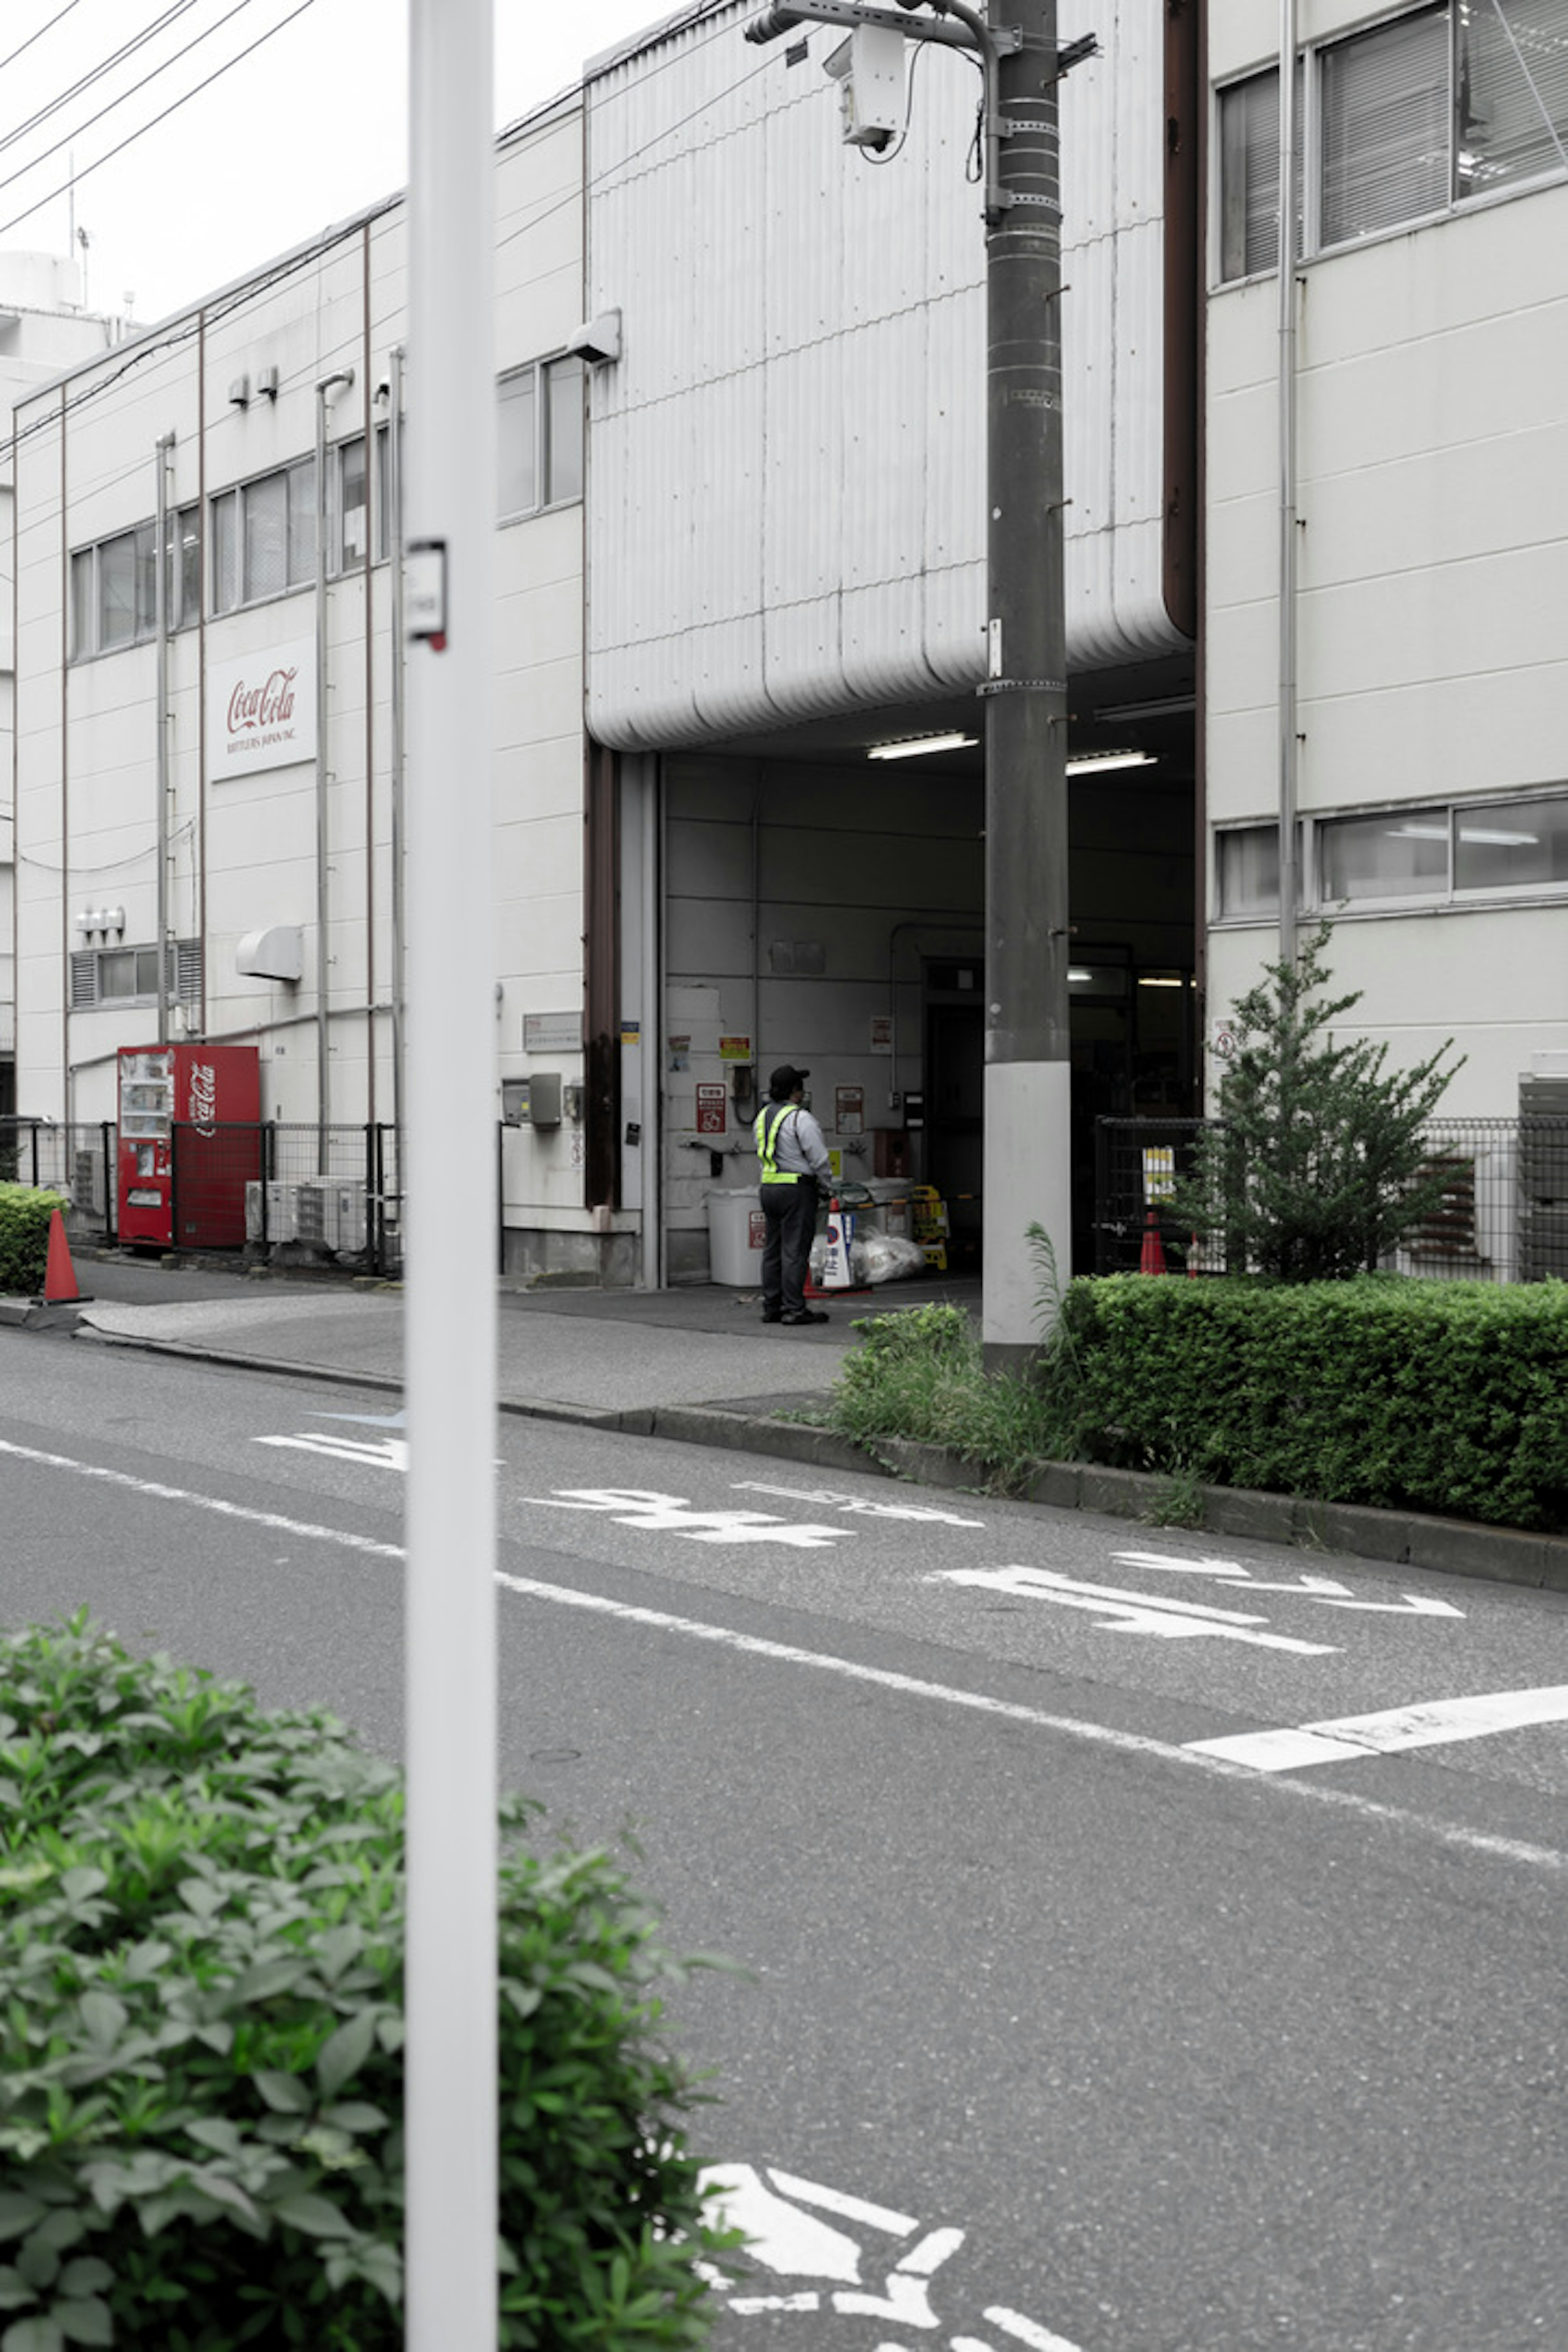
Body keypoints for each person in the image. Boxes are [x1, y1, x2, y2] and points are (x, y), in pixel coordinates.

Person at [754, 1064, 833, 1325]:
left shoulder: (762, 1117)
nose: (804, 1092)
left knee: (772, 1249)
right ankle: (795, 1309)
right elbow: (819, 1159)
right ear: (794, 1092)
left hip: (769, 1188)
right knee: (795, 1250)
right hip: (796, 1190)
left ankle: (772, 1306)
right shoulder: (801, 1119)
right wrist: (827, 1186)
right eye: (801, 1087)